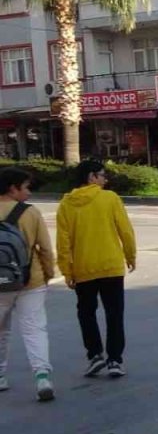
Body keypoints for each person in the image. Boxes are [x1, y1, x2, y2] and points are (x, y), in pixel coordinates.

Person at [57, 160, 137, 379]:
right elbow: (125, 231)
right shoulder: (110, 198)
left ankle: (94, 355)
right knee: (114, 314)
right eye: (102, 175)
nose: (105, 179)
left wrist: (67, 270)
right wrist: (130, 255)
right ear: (92, 177)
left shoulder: (66, 204)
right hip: (110, 266)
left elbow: (63, 242)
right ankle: (114, 360)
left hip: (83, 268)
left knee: (86, 313)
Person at [0, 168, 57, 401]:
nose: (29, 193)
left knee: (2, 330)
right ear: (13, 188)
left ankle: (0, 376)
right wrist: (48, 274)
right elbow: (44, 248)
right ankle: (42, 376)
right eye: (26, 187)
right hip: (29, 280)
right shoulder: (31, 213)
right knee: (35, 328)